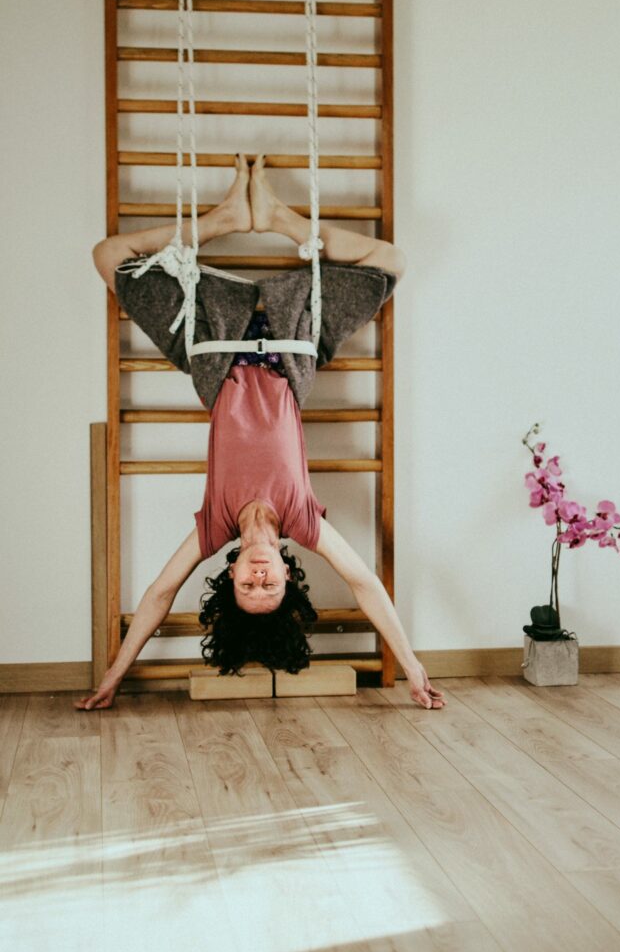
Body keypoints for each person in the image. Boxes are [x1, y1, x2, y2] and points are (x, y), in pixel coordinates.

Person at [75, 155, 446, 712]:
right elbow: (366, 584)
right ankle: (281, 219)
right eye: (269, 589)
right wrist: (414, 668)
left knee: (107, 256)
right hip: (291, 339)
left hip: (213, 343)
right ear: (286, 579)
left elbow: (158, 595)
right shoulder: (303, 521)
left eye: (246, 588)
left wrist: (113, 677)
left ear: (229, 576)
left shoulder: (214, 527)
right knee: (392, 260)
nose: (257, 580)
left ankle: (221, 221)